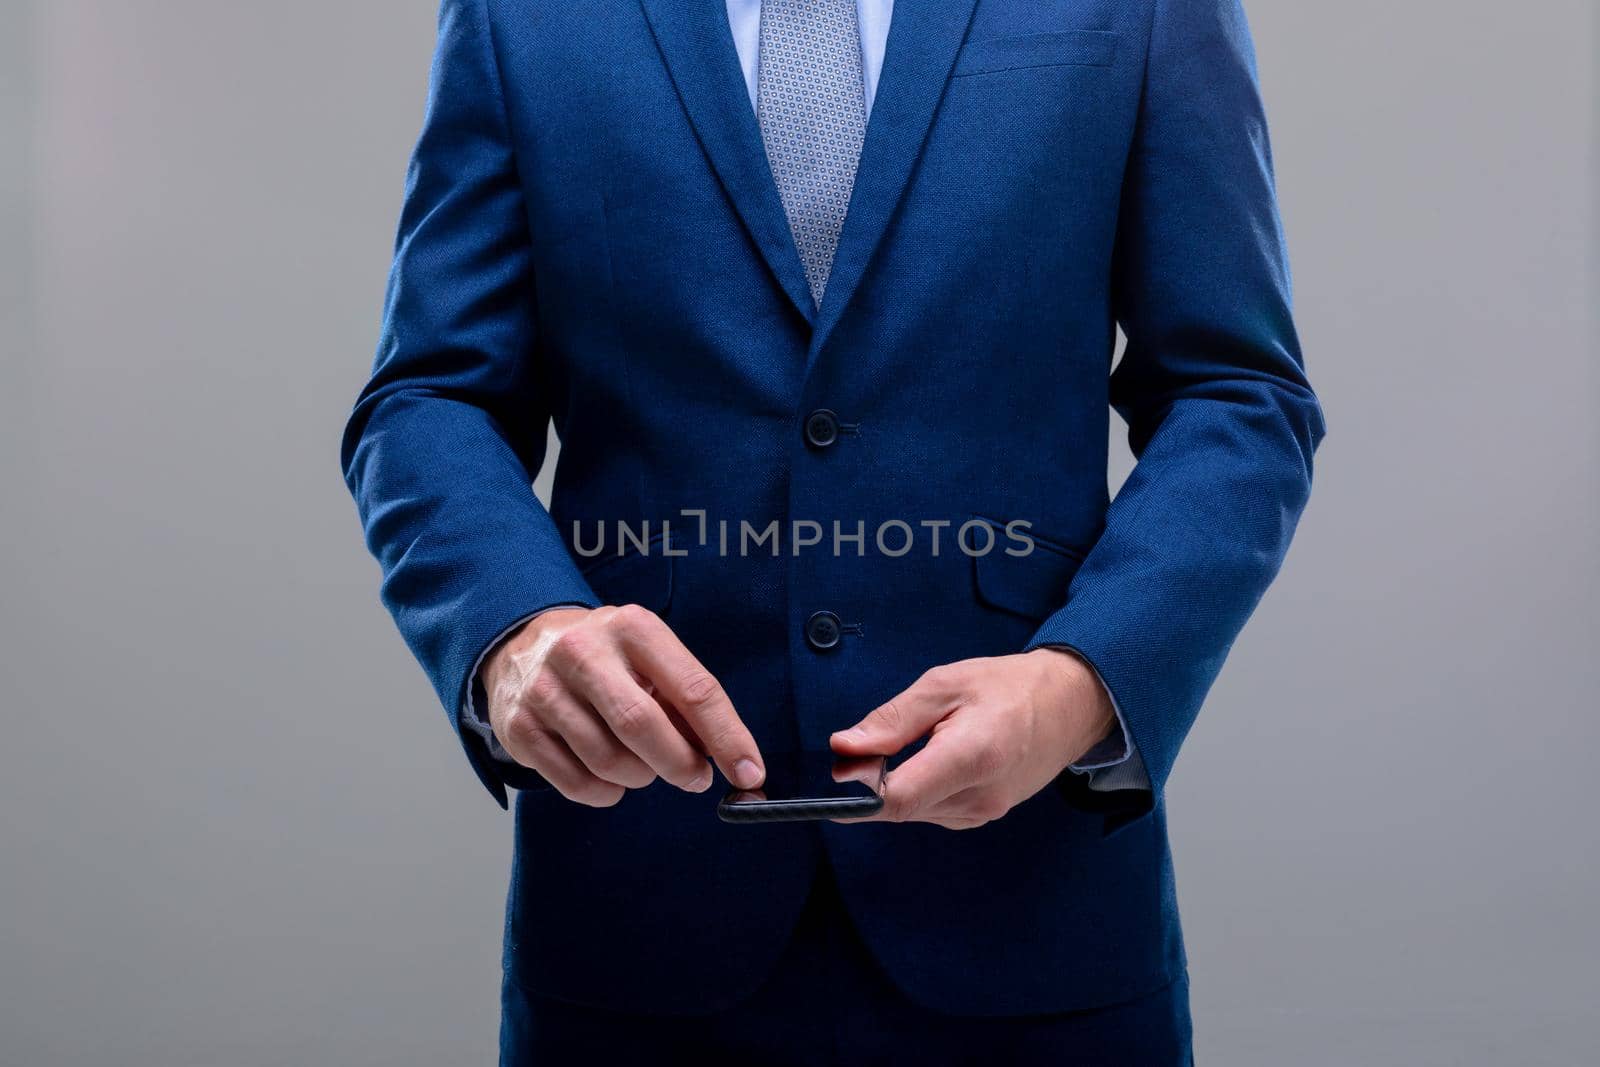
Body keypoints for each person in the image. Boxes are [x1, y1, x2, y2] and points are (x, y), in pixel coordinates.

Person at [341, 0, 1323, 1062]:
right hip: (640, 918)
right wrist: (514, 627)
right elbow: (430, 396)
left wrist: (1080, 682)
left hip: (1028, 911)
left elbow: (1236, 395)